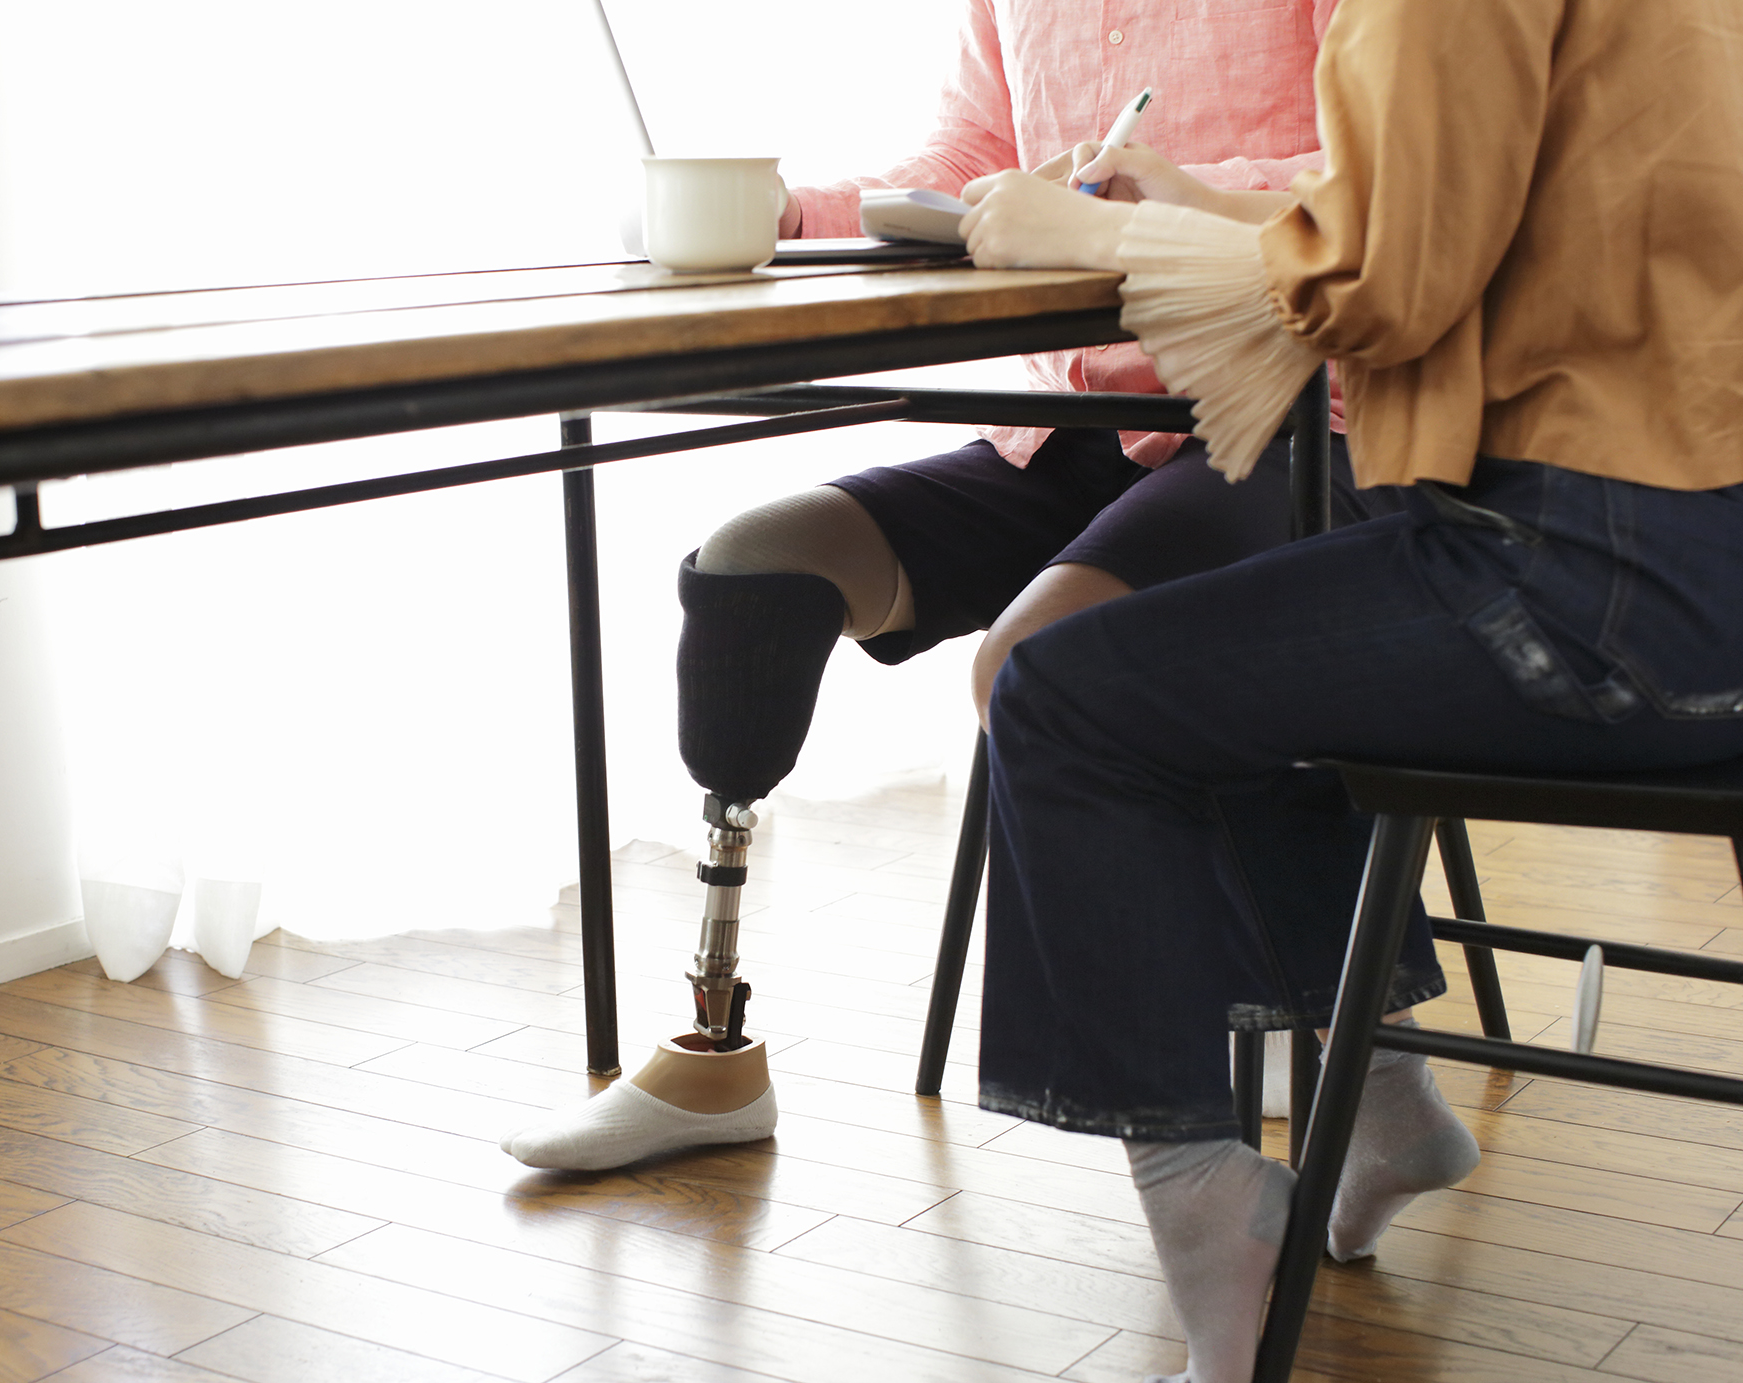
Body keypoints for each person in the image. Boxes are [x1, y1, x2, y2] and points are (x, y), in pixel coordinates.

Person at [954, 0, 1743, 1378]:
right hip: (1703, 559)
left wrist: (1098, 236)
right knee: (1238, 658)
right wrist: (1203, 208)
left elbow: (1387, 282)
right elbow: (1479, 197)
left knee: (1067, 695)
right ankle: (1383, 1104)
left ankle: (1211, 1207)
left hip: (1607, 589)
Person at [500, 0, 1375, 1173]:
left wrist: (1128, 199)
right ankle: (712, 1049)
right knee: (754, 569)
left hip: (1278, 426)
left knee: (1038, 661)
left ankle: (1298, 1042)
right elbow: (967, 163)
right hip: (1062, 430)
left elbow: (1380, 172)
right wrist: (782, 209)